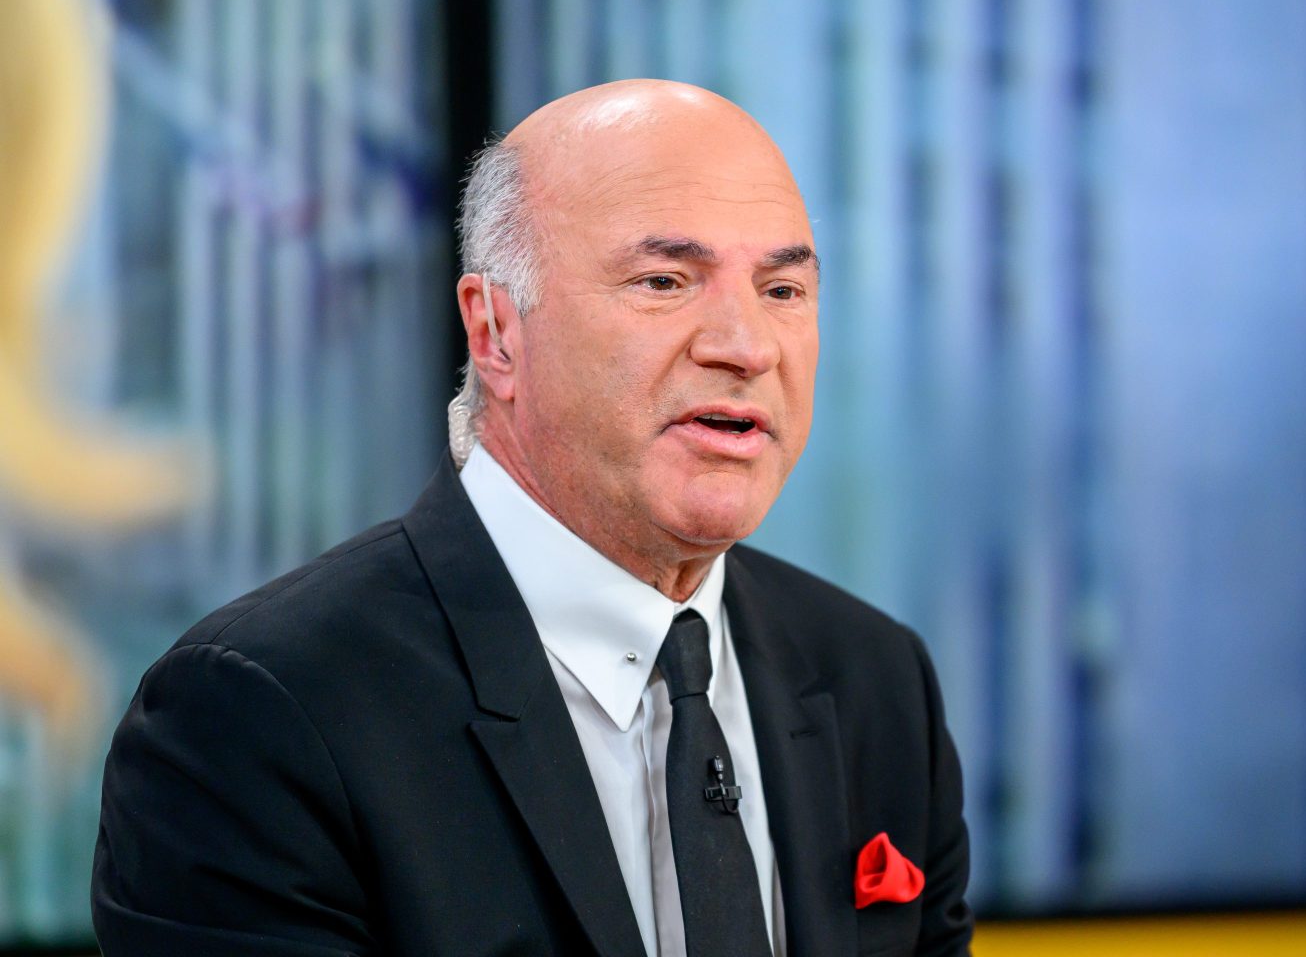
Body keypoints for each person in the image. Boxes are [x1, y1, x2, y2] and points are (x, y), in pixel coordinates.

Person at [92, 79, 972, 957]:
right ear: (496, 333)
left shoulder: (875, 680)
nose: (746, 347)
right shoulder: (258, 716)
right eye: (665, 281)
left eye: (782, 290)